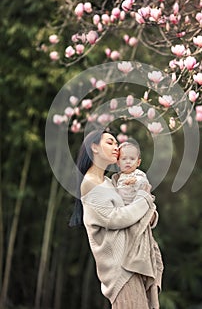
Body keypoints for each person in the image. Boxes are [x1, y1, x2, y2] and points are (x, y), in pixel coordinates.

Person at [74, 129, 158, 309]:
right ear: (94, 148)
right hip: (120, 269)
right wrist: (144, 197)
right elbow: (115, 218)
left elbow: (129, 207)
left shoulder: (109, 181)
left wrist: (150, 214)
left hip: (130, 262)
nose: (116, 147)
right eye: (110, 143)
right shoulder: (89, 182)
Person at [112, 140, 164, 309]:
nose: (128, 162)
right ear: (118, 161)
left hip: (139, 220)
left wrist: (149, 213)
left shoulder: (139, 176)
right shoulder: (113, 181)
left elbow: (145, 194)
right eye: (124, 158)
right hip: (124, 226)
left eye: (132, 159)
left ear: (138, 162)